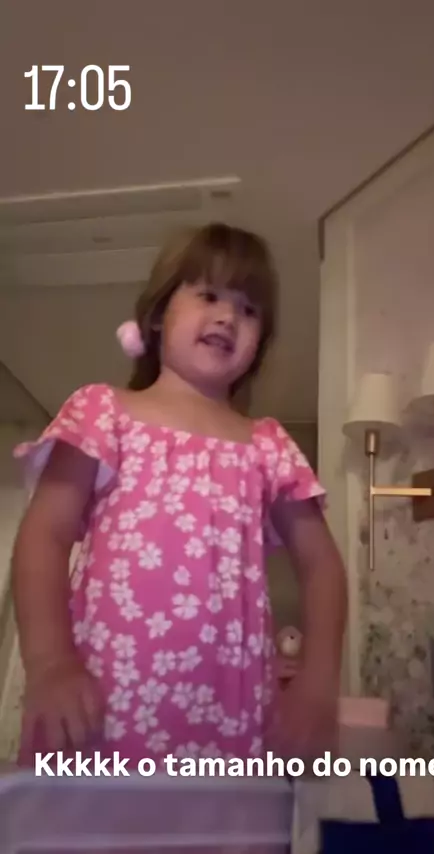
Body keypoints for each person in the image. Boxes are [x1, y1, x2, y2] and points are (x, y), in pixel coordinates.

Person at [11, 222, 347, 770]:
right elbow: (44, 537)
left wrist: (317, 684)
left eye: (249, 309)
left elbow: (323, 568)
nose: (228, 316)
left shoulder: (268, 445)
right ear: (158, 314)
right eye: (209, 295)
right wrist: (50, 664)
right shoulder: (103, 412)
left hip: (235, 726)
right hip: (102, 711)